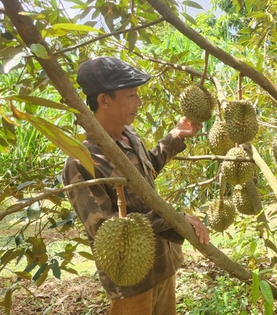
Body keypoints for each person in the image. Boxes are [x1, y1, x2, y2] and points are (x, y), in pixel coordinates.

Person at [62, 56, 210, 315]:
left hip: (164, 264)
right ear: (104, 100)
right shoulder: (81, 160)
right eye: (131, 95)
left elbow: (145, 171)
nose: (139, 102)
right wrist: (176, 220)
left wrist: (175, 137)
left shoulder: (129, 135)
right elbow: (106, 227)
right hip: (132, 284)